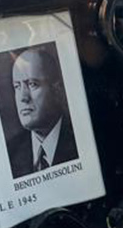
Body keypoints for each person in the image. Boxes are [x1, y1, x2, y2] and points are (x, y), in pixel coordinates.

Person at [7, 45, 77, 177]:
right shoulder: (10, 152)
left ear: (57, 90)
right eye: (17, 86)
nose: (23, 97)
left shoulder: (79, 137)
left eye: (32, 84)